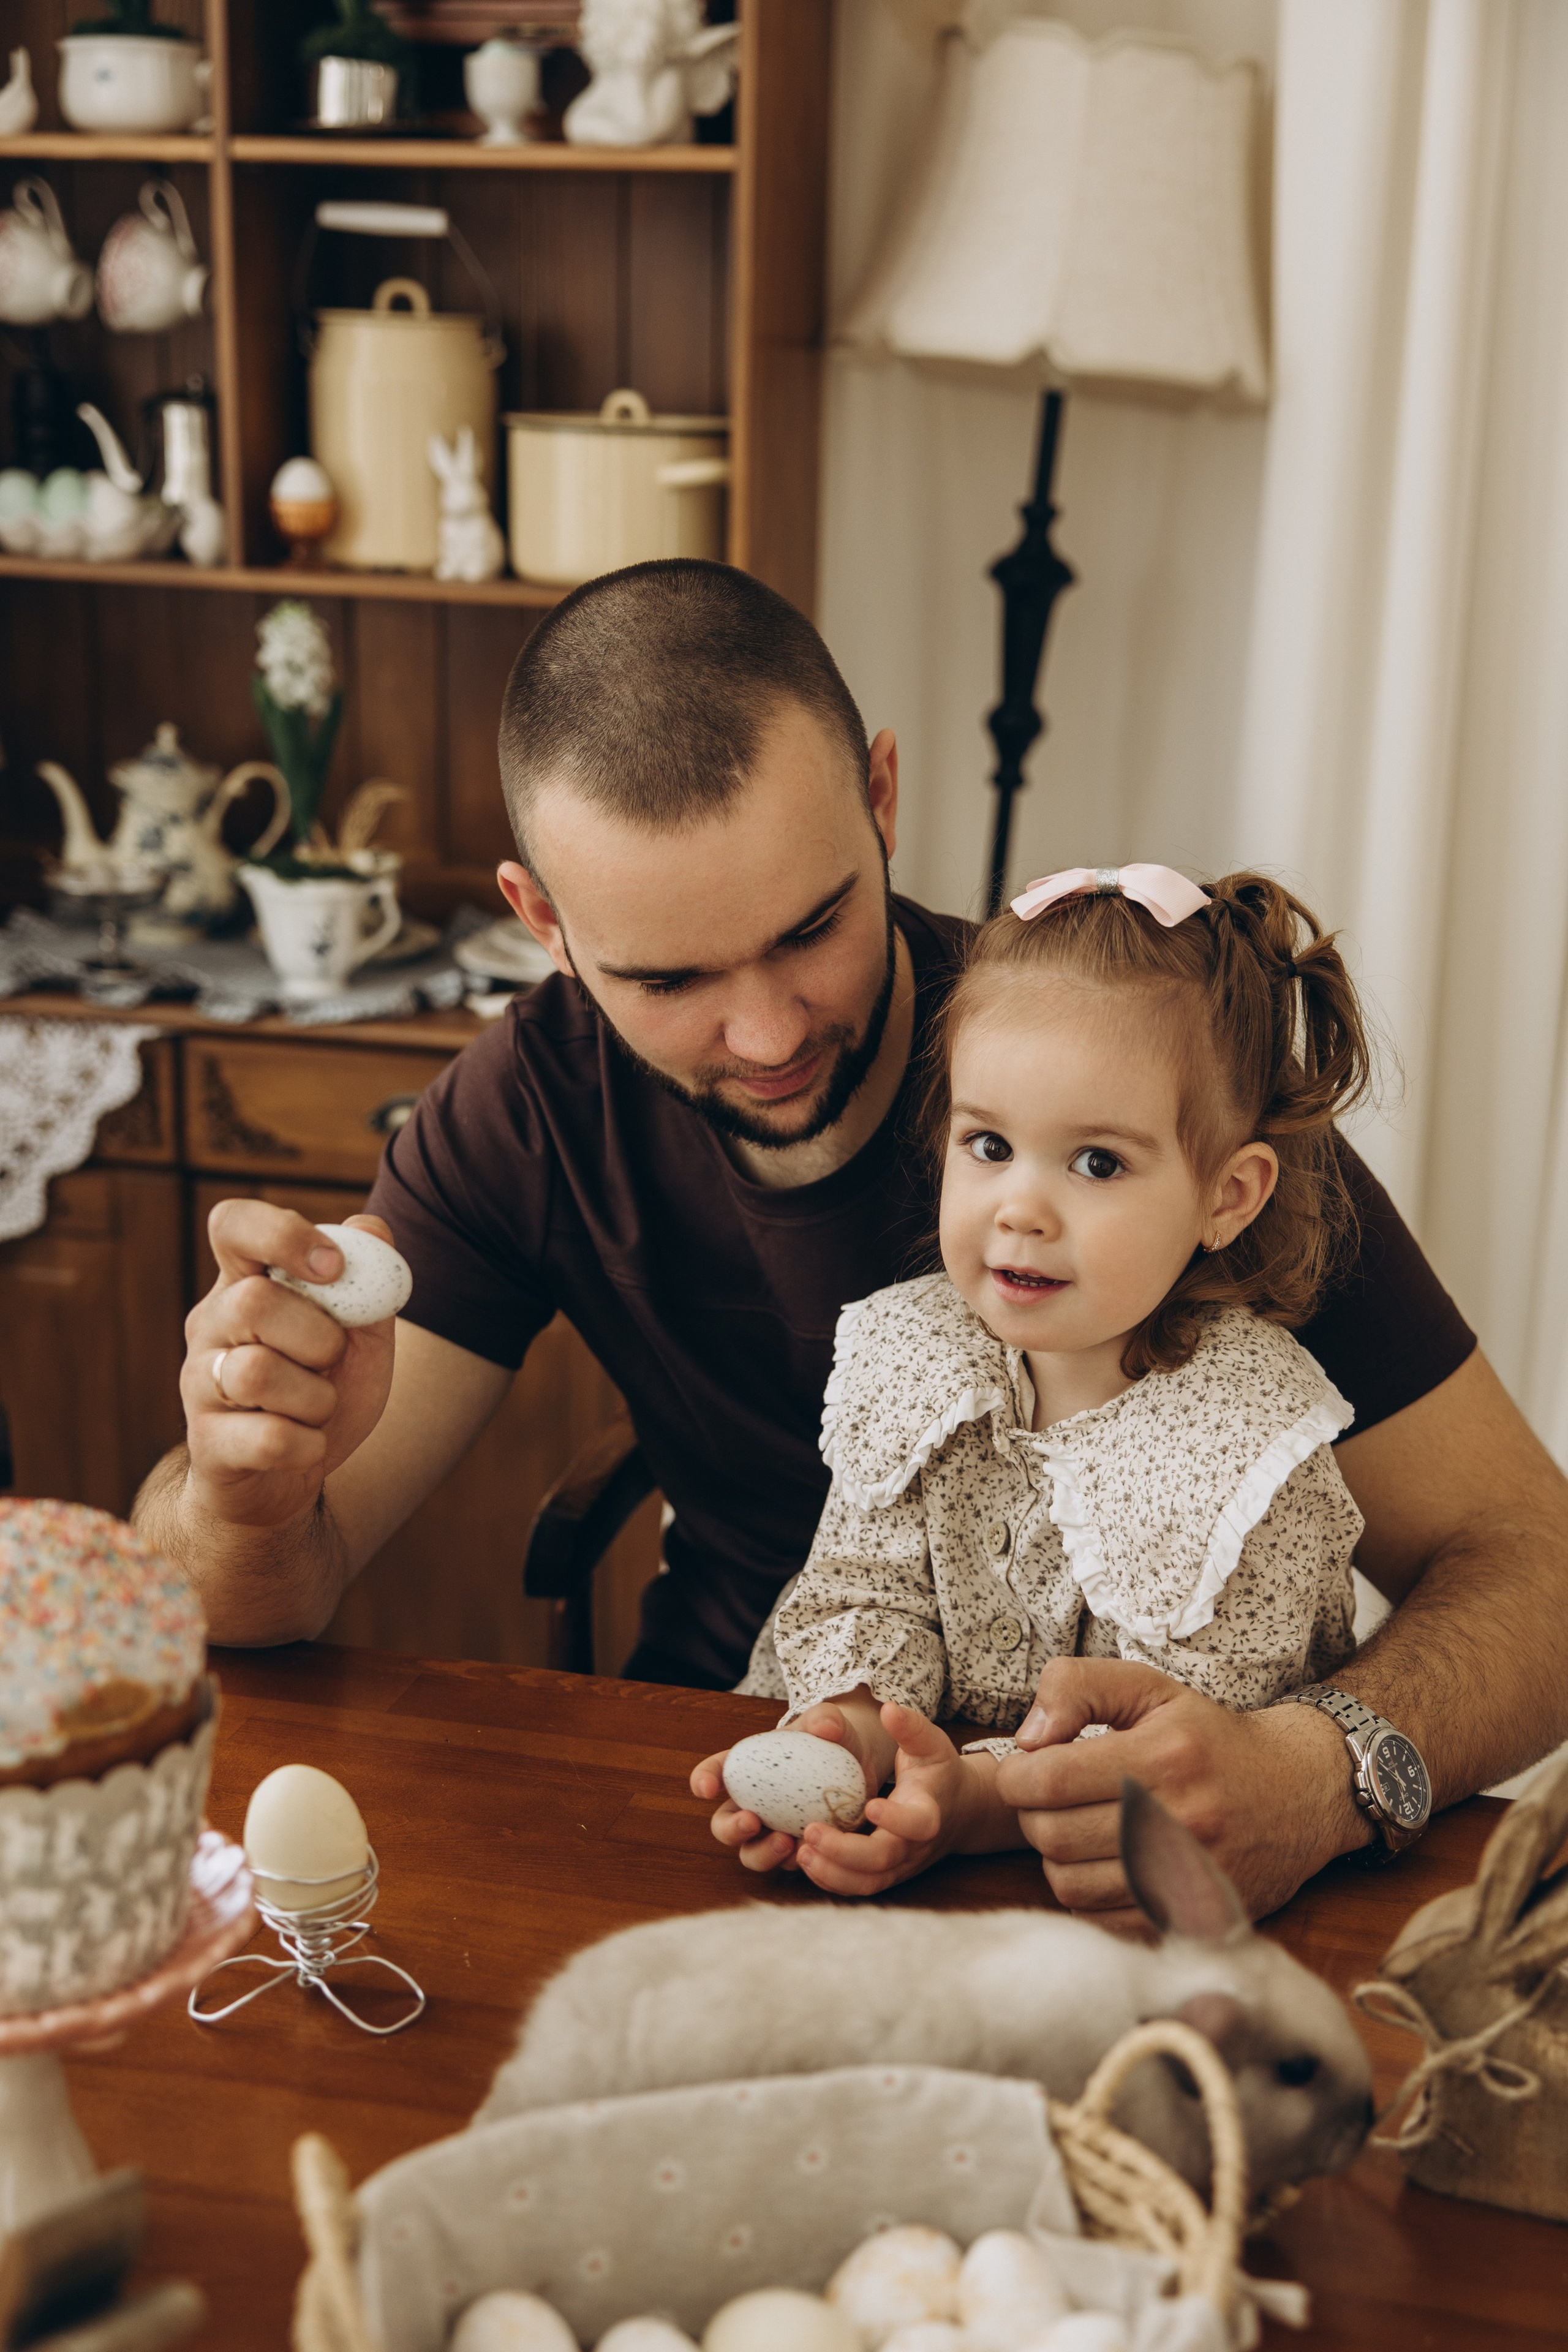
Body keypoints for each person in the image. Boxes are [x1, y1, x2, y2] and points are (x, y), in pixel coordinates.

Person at [135, 559, 1568, 1929]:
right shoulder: (526, 1111)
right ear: (544, 925)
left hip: (1142, 1840)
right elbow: (247, 1605)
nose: (766, 1035)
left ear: (881, 797)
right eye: (670, 978)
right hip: (742, 1767)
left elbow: (1537, 1570)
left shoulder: (1116, 1073)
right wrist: (242, 1494)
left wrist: (1319, 1773)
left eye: (810, 928)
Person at [692, 864, 1381, 1900]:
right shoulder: (917, 1359)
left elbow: (1190, 1748)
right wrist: (858, 1734)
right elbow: (867, 1589)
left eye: (1096, 1163)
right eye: (990, 1145)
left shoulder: (1250, 1457)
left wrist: (970, 1805)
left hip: (1131, 1890)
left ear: (1226, 1197)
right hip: (921, 1861)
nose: (1020, 1208)